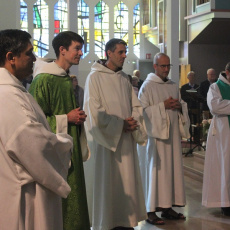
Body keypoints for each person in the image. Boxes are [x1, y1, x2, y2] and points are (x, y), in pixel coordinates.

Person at [0, 29, 73, 230]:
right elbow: (31, 144)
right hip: (26, 195)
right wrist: (64, 143)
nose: (34, 58)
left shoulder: (15, 91)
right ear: (10, 57)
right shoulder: (7, 96)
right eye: (29, 53)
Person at [84, 38, 147, 230]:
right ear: (108, 53)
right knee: (108, 182)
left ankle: (125, 221)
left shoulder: (124, 78)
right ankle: (107, 222)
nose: (124, 55)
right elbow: (94, 111)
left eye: (125, 51)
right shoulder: (94, 77)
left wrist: (132, 121)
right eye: (120, 52)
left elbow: (136, 105)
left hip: (126, 140)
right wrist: (120, 125)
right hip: (107, 143)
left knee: (127, 181)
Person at [29, 31, 90, 230]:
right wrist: (67, 118)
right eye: (77, 49)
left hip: (70, 145)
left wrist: (77, 119)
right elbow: (34, 123)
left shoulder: (65, 78)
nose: (81, 53)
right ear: (62, 50)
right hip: (55, 152)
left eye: (82, 49)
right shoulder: (43, 80)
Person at [137, 53, 190, 225]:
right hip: (155, 140)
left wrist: (179, 106)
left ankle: (167, 207)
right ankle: (150, 210)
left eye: (168, 66)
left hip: (172, 138)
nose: (166, 69)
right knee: (155, 172)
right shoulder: (147, 86)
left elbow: (181, 105)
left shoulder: (174, 86)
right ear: (155, 66)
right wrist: (162, 106)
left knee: (171, 171)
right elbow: (141, 112)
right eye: (162, 66)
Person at [202, 63, 230, 216]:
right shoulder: (215, 87)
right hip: (223, 131)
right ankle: (225, 202)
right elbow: (215, 107)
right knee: (225, 165)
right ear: (227, 72)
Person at [180, 71, 200, 142]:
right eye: (190, 76)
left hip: (196, 107)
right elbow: (183, 96)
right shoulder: (184, 87)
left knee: (196, 122)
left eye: (193, 76)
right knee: (188, 121)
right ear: (188, 77)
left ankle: (197, 137)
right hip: (187, 107)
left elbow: (199, 96)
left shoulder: (198, 87)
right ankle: (189, 136)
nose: (191, 77)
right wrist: (191, 97)